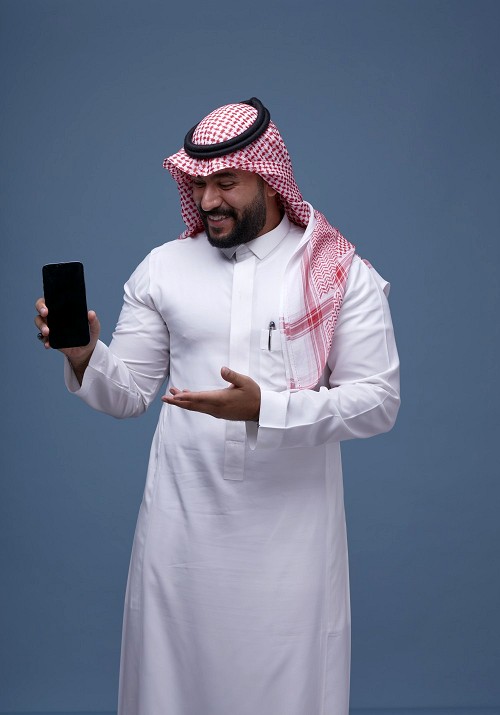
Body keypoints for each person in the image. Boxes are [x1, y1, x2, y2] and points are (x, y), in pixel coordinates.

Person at [35, 98, 400, 715]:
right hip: (180, 530)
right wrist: (82, 354)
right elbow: (128, 394)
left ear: (270, 178)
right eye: (198, 184)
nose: (207, 200)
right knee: (171, 687)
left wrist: (266, 409)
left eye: (225, 182)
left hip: (292, 542)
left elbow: (378, 402)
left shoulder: (339, 273)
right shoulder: (164, 268)